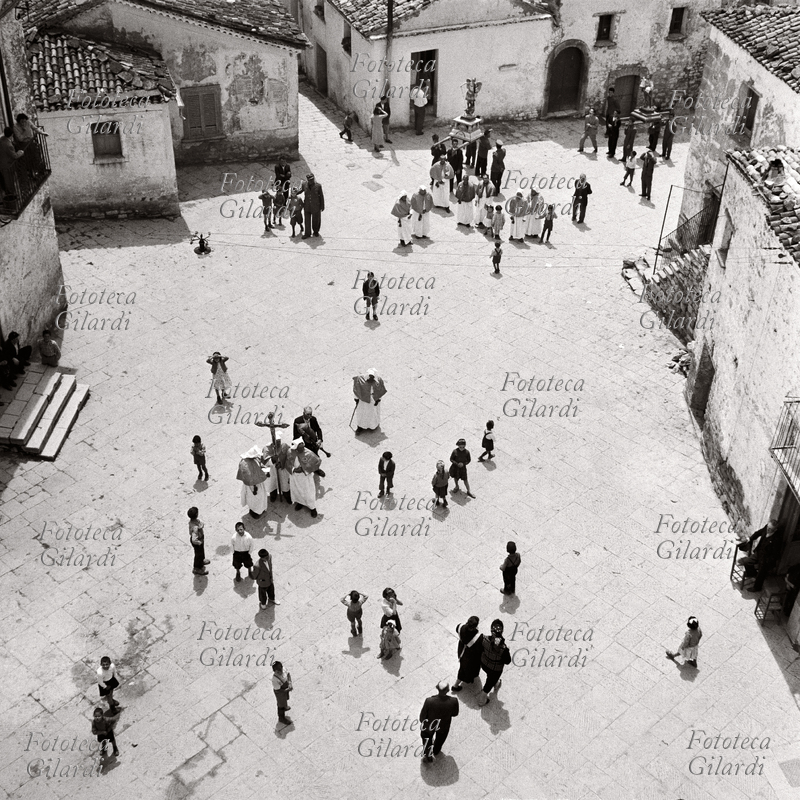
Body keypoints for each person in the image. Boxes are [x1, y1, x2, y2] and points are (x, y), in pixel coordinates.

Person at [419, 682, 459, 762]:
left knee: (426, 739)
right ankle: (436, 751)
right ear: (447, 690)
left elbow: (422, 716)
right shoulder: (453, 701)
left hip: (429, 726)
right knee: (440, 739)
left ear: (437, 688)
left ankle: (428, 755)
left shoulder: (429, 701)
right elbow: (455, 713)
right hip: (443, 726)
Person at [738, 520, 782, 592]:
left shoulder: (777, 539)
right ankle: (753, 574)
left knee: (762, 572)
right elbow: (758, 533)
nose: (768, 529)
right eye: (768, 527)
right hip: (758, 553)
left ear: (775, 530)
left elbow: (775, 554)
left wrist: (767, 562)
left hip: (766, 558)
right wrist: (749, 539)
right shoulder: (766, 528)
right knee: (746, 562)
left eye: (770, 529)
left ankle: (757, 587)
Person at [478, 619, 511, 705]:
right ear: (502, 631)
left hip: (484, 664)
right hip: (495, 670)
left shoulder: (484, 639)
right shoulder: (503, 648)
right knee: (488, 685)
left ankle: (496, 683)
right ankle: (481, 700)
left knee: (491, 678)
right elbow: (507, 661)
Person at [287, 439, 320, 517]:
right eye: (301, 448)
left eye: (303, 447)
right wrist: (294, 469)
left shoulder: (307, 452)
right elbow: (287, 464)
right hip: (295, 477)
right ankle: (300, 503)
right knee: (298, 491)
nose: (303, 449)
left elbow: (315, 462)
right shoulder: (290, 453)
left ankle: (312, 508)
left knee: (308, 493)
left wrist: (303, 468)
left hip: (305, 477)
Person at [451, 617, 483, 692]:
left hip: (461, 649)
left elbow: (457, 630)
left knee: (463, 666)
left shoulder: (460, 627)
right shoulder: (478, 637)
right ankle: (455, 685)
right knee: (465, 669)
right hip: (469, 656)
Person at [293, 405, 326, 476]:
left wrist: (320, 439)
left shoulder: (313, 419)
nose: (309, 416)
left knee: (315, 457)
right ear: (303, 413)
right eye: (308, 414)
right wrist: (303, 437)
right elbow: (295, 435)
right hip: (304, 444)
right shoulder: (297, 421)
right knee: (306, 458)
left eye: (311, 414)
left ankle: (316, 469)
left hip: (313, 442)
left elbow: (318, 429)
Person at [239, 444, 269, 519]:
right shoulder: (244, 464)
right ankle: (255, 512)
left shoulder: (255, 459)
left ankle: (261, 509)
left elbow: (260, 465)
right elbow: (247, 478)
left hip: (259, 482)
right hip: (251, 486)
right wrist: (254, 488)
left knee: (262, 497)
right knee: (254, 499)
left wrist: (265, 470)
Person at [261, 431, 292, 503]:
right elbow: (264, 462)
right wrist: (272, 460)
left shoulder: (284, 446)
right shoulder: (266, 449)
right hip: (272, 470)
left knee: (285, 484)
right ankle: (273, 495)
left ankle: (287, 495)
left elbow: (290, 457)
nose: (278, 443)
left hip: (282, 469)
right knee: (272, 484)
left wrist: (282, 464)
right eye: (276, 442)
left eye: (279, 441)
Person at [0, 126, 24, 201]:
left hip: (2, 164)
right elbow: (15, 156)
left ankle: (9, 194)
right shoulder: (8, 145)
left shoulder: (1, 139)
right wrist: (21, 152)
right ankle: (11, 196)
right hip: (7, 165)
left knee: (5, 180)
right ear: (11, 135)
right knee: (9, 181)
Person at [299, 173, 324, 238]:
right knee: (307, 220)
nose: (311, 181)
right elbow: (301, 190)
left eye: (312, 179)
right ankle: (307, 233)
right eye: (310, 180)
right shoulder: (304, 184)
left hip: (316, 206)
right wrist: (295, 193)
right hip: (307, 205)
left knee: (316, 220)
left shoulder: (318, 186)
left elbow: (321, 196)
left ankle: (316, 231)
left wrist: (322, 206)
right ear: (307, 180)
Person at [188, 507, 208, 575]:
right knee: (198, 555)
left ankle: (202, 561)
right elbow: (194, 539)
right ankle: (197, 568)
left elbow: (200, 523)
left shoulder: (193, 521)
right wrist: (198, 542)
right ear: (196, 514)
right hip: (198, 542)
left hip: (200, 539)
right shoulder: (195, 527)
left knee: (201, 552)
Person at [274, 156, 291, 222]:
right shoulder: (277, 167)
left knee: (286, 194)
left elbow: (289, 175)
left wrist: (284, 175)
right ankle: (278, 204)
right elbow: (278, 175)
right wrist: (286, 176)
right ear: (279, 161)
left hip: (286, 183)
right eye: (281, 161)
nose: (283, 162)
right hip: (280, 183)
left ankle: (284, 205)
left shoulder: (288, 166)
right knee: (279, 194)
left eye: (284, 161)